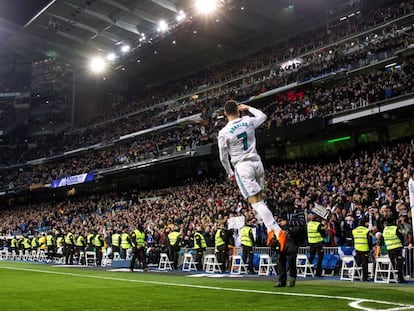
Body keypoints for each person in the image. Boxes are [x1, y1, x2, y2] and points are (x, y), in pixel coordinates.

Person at [218, 100, 285, 249]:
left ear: (225, 113)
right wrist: (248, 107)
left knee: (256, 203)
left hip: (243, 167)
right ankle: (269, 230)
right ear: (239, 110)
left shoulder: (223, 133)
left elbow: (223, 157)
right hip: (257, 163)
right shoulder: (247, 121)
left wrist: (229, 172)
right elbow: (262, 116)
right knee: (261, 199)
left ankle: (277, 230)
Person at [275, 198, 306, 287]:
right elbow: (279, 223)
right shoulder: (282, 212)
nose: (286, 209)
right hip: (283, 238)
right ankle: (282, 280)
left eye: (288, 207)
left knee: (291, 259)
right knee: (281, 259)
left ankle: (292, 278)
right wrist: (284, 230)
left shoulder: (299, 212)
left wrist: (288, 223)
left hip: (293, 238)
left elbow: (301, 222)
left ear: (292, 206)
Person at [383, 218, 407, 283]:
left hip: (389, 248)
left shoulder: (385, 229)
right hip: (397, 248)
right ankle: (400, 278)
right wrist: (402, 244)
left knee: (392, 264)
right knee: (399, 263)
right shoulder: (395, 228)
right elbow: (401, 237)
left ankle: (391, 278)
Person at [307, 213, 326, 277]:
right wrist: (324, 228)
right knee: (320, 258)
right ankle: (318, 273)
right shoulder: (319, 225)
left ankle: (307, 271)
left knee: (311, 257)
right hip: (318, 243)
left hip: (311, 243)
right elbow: (323, 234)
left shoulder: (308, 224)